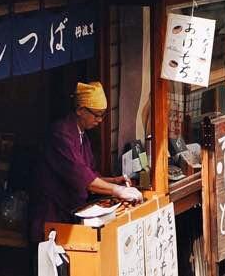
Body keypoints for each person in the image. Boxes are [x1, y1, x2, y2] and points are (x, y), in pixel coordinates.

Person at [29, 83, 143, 234]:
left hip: (70, 209)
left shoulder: (81, 134)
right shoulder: (61, 134)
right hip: (52, 212)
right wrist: (117, 190)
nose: (100, 120)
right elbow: (81, 176)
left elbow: (90, 173)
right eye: (97, 114)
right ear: (80, 110)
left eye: (103, 114)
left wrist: (114, 180)